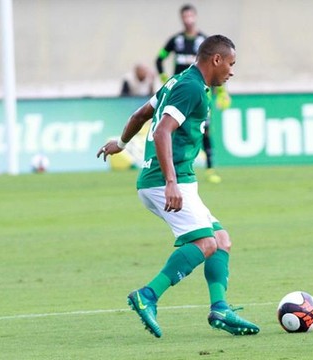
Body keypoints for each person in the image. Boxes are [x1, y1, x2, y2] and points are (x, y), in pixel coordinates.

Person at [97, 35, 259, 338]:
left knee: (221, 240)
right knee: (205, 243)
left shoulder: (178, 81)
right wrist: (171, 181)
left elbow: (140, 114)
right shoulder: (191, 87)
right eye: (231, 64)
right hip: (165, 182)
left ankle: (220, 308)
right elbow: (161, 132)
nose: (232, 71)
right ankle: (148, 295)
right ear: (216, 60)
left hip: (177, 180)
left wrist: (120, 144)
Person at [156, 3, 230, 184]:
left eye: (191, 16)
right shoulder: (175, 41)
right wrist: (166, 77)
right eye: (185, 17)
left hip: (203, 93)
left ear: (195, 17)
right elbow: (159, 59)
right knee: (174, 128)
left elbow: (218, 67)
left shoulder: (204, 41)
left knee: (204, 129)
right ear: (181, 18)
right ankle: (170, 169)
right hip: (181, 93)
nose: (188, 20)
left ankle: (211, 168)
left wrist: (222, 93)